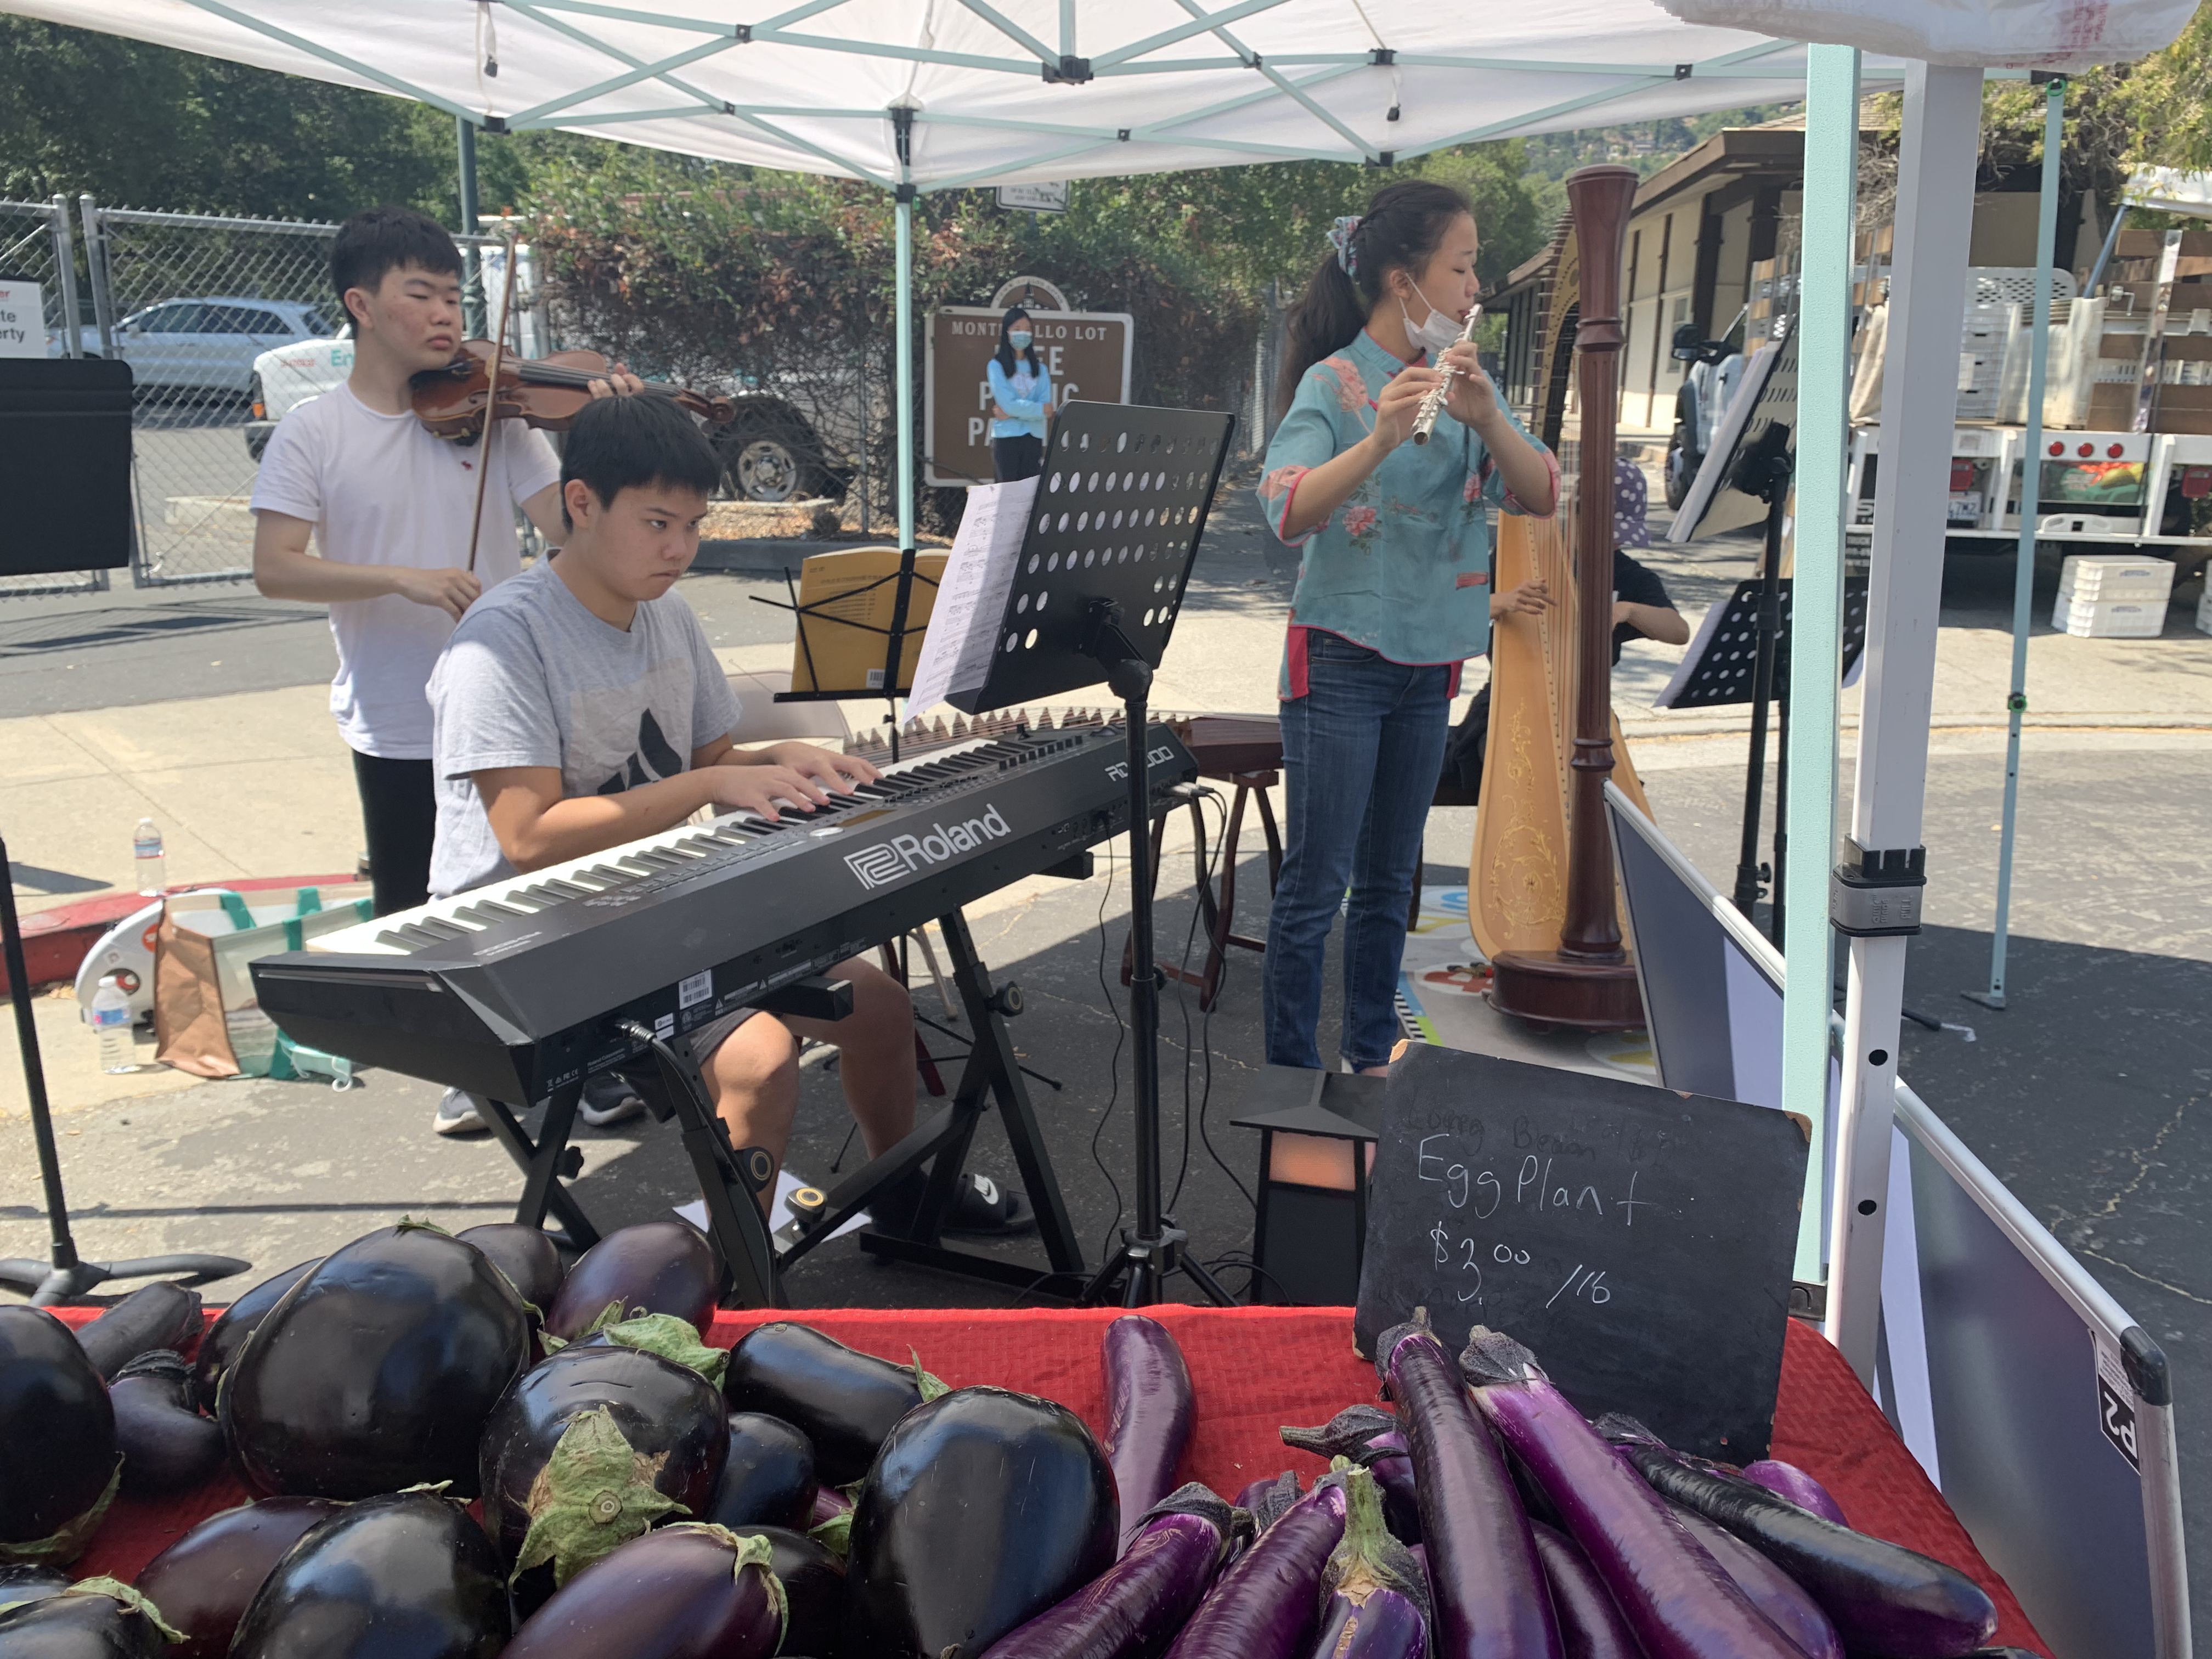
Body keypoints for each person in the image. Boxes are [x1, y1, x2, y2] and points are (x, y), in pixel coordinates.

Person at [426, 394, 1031, 1232]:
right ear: (580, 503)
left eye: (693, 526)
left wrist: (780, 761)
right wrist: (712, 787)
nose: (680, 549)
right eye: (657, 523)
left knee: (881, 1007)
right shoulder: (501, 642)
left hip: (642, 905)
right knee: (759, 1056)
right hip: (528, 943)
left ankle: (896, 1196)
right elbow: (528, 838)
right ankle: (726, 1286)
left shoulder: (667, 617)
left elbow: (709, 764)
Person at [250, 205, 650, 1136]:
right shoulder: (317, 430)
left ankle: (580, 1060)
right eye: (419, 293)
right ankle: (473, 1069)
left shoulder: (498, 418)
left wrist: (609, 430)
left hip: (511, 700)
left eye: (451, 295)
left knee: (550, 889)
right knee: (435, 914)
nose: (444, 315)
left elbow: (568, 528)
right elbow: (277, 566)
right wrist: (401, 576)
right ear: (362, 304)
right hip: (393, 708)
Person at [1256, 179, 1559, 1077]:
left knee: (1392, 880)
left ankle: (1368, 1058)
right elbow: (1285, 510)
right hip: (1342, 658)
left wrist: (1487, 416)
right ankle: (1289, 1076)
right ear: (1403, 281)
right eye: (1461, 267)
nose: (1476, 287)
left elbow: (1541, 494)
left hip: (1429, 663)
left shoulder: (1469, 383)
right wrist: (1379, 438)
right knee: (1317, 885)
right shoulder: (1334, 382)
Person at [1437, 455, 1690, 802]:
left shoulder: (1624, 574)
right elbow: (1453, 613)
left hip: (1589, 717)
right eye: (1605, 531)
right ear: (1575, 509)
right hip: (1506, 706)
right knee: (1529, 774)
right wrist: (1504, 602)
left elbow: (1678, 631)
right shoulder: (1522, 556)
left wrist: (1628, 610)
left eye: (1618, 536)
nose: (1612, 544)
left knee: (1613, 800)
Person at [985, 307, 1052, 482]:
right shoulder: (996, 366)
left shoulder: (1041, 370)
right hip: (1006, 439)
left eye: (1028, 329)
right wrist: (1037, 411)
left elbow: (1048, 409)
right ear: (1007, 333)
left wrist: (1012, 413)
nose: (1023, 334)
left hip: (1034, 439)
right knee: (1007, 496)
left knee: (1029, 497)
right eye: (1017, 329)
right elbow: (1008, 404)